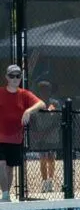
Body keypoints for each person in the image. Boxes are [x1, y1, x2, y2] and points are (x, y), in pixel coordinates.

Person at [0, 64, 45, 202]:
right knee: (1, 164)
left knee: (9, 168)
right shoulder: (1, 92)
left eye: (18, 76)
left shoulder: (24, 94)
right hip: (0, 137)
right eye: (12, 76)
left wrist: (28, 111)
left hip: (15, 138)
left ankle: (6, 196)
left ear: (21, 77)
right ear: (7, 77)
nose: (15, 78)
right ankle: (5, 194)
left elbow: (41, 104)